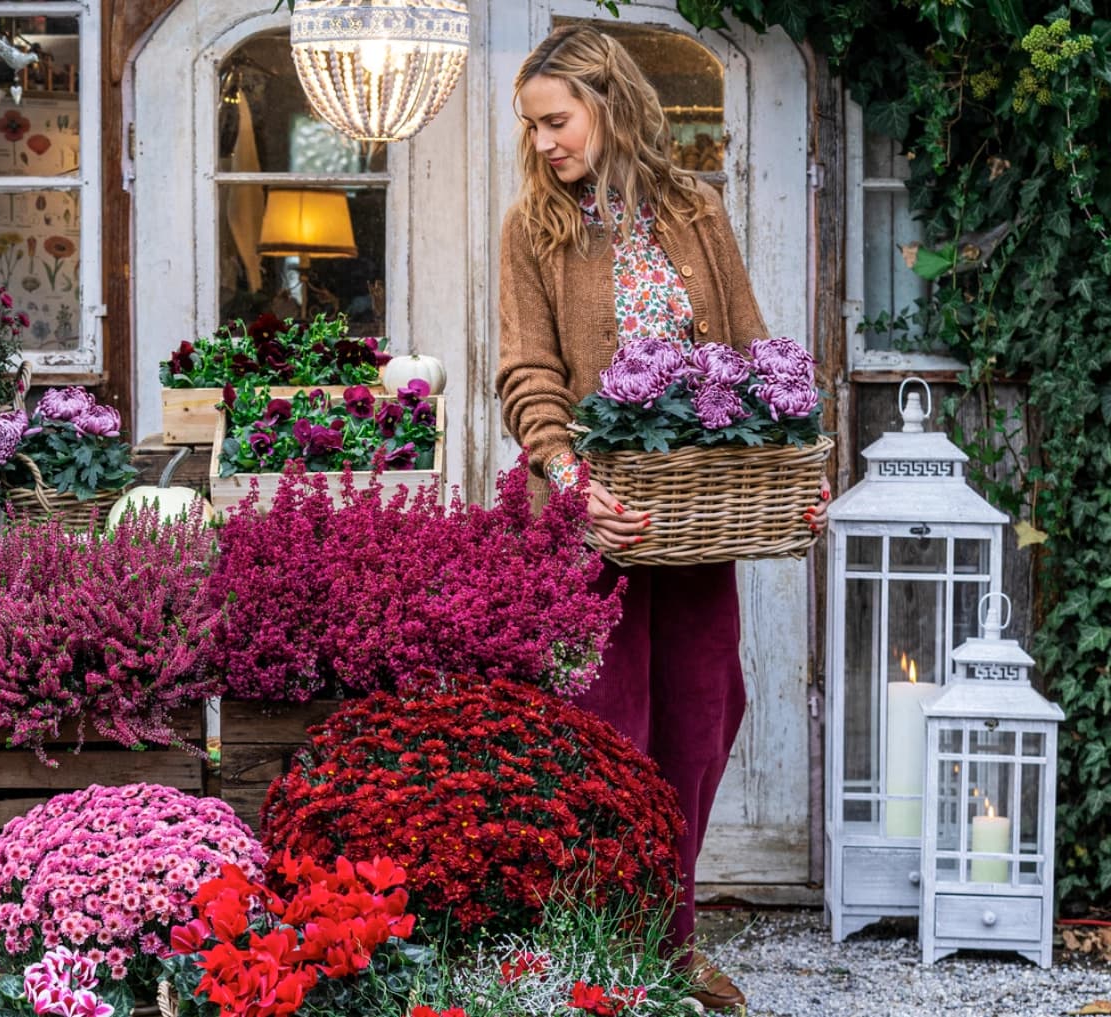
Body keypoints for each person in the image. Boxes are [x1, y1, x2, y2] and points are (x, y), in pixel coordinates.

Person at [494, 25, 829, 1012]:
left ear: (610, 104)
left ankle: (666, 941)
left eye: (557, 120)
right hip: (603, 522)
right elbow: (529, 374)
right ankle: (614, 948)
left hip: (698, 516)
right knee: (613, 728)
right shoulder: (534, 228)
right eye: (534, 126)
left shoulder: (695, 212)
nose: (546, 142)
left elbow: (754, 358)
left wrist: (792, 464)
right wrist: (567, 472)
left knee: (704, 713)